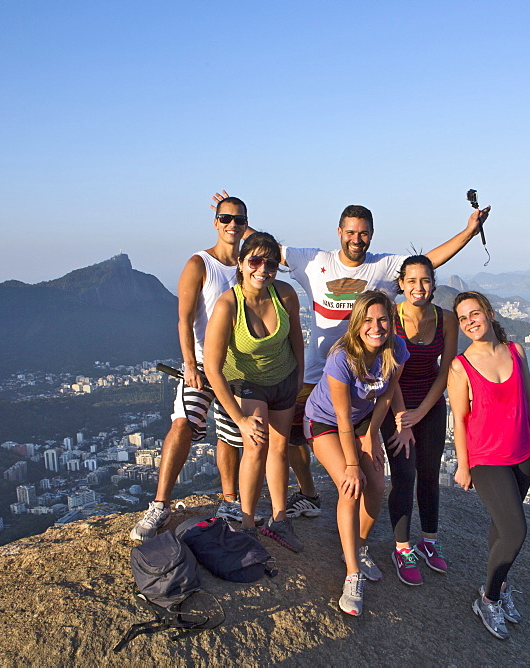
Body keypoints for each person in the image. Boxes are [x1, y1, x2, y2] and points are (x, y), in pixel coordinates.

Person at [213, 191, 490, 519]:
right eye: (350, 232)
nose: (356, 239)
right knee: (292, 438)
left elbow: (426, 264)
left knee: (345, 448)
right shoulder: (315, 261)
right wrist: (237, 224)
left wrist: (470, 232)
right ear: (339, 232)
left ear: (371, 235)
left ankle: (335, 510)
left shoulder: (384, 266)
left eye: (363, 233)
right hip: (315, 372)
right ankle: (308, 495)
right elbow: (267, 251)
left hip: (361, 379)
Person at [130, 196, 255, 542]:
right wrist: (189, 365)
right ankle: (160, 503)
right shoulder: (200, 264)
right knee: (183, 422)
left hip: (237, 367)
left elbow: (271, 251)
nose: (232, 225)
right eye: (226, 218)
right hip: (200, 362)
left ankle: (229, 501)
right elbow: (184, 320)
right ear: (215, 222)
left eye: (239, 220)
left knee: (231, 435)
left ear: (247, 224)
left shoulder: (251, 265)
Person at [303, 291, 410, 616]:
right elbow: (339, 415)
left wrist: (372, 437)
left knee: (377, 484)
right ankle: (352, 572)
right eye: (368, 320)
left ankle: (359, 546)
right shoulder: (343, 358)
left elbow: (386, 398)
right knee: (351, 487)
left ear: (391, 322)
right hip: (324, 422)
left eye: (382, 320)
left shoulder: (397, 350)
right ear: (356, 323)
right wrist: (352, 463)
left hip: (362, 421)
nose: (376, 327)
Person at [447, 291, 530, 640]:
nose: (471, 321)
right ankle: (488, 599)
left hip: (520, 454)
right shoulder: (461, 366)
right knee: (516, 530)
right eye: (463, 318)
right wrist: (462, 465)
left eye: (475, 313)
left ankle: (499, 585)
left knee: (502, 527)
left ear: (489, 313)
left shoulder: (516, 351)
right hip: (486, 458)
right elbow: (459, 419)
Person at [203, 232, 306, 552]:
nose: (263, 268)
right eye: (255, 261)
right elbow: (211, 367)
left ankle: (279, 519)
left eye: (271, 262)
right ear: (241, 264)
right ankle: (247, 524)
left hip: (284, 379)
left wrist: (299, 379)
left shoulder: (286, 294)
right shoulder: (228, 305)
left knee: (279, 447)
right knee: (256, 443)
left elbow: (296, 341)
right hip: (246, 381)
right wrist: (239, 419)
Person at [379, 255, 458, 585]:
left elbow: (445, 370)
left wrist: (422, 412)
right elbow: (388, 371)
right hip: (393, 404)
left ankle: (428, 539)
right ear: (401, 284)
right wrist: (402, 418)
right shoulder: (390, 316)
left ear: (433, 284)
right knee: (403, 473)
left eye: (425, 280)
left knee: (429, 473)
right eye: (411, 281)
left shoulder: (447, 319)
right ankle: (402, 547)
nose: (418, 287)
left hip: (430, 404)